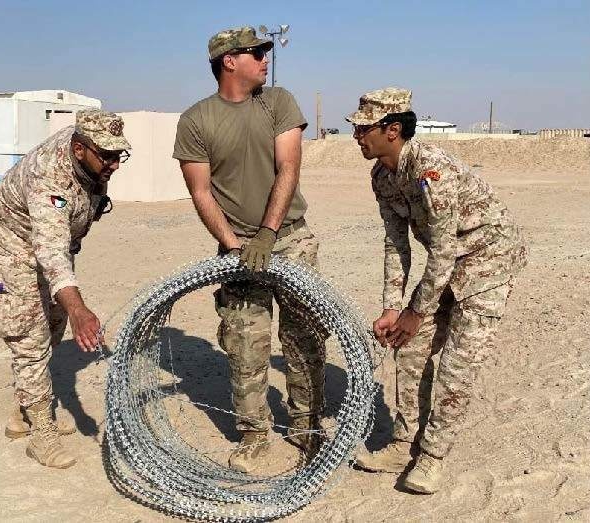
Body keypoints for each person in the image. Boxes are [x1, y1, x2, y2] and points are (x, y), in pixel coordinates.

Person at [348, 88, 527, 493]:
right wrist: (394, 308)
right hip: (447, 265)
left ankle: (432, 457)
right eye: (356, 128)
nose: (358, 136)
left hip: (488, 263)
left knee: (457, 366)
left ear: (392, 130)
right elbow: (396, 244)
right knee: (409, 347)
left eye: (364, 128)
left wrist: (417, 311)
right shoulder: (382, 177)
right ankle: (403, 443)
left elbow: (444, 248)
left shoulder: (432, 169)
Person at [173, 26, 326, 472]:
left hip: (290, 239)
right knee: (246, 343)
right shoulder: (197, 120)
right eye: (255, 52)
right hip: (236, 247)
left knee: (304, 338)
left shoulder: (278, 102)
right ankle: (254, 434)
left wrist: (268, 233)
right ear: (228, 61)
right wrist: (233, 243)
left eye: (265, 51)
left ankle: (306, 428)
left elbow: (289, 167)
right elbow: (201, 192)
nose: (265, 58)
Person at [0, 109, 131, 469]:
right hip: (12, 250)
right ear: (80, 149)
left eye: (118, 154)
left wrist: (69, 308)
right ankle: (41, 434)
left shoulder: (88, 157)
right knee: (28, 335)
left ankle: (23, 413)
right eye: (106, 155)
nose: (114, 164)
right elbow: (49, 251)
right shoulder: (50, 178)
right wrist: (80, 309)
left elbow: (58, 247)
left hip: (53, 247)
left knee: (53, 324)